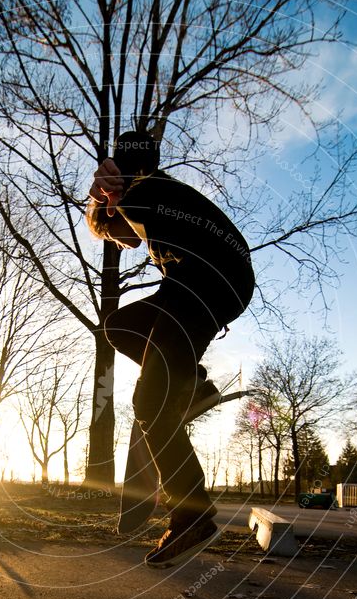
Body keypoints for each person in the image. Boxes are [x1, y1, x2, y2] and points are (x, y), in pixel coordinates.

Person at [87, 131, 255, 569]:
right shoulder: (171, 193)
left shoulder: (142, 194)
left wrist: (101, 201)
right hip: (218, 281)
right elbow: (137, 230)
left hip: (199, 284)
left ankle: (191, 513)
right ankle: (193, 385)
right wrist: (110, 196)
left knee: (149, 403)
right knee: (120, 326)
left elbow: (120, 235)